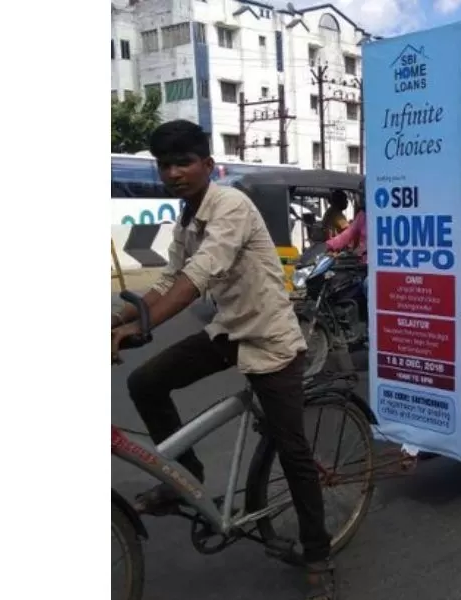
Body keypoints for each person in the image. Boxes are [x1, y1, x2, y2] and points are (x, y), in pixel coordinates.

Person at [110, 120, 337, 599]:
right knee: (145, 383)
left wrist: (140, 326)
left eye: (183, 162)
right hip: (228, 330)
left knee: (292, 451)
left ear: (208, 166)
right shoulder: (187, 218)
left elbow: (195, 279)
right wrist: (115, 318)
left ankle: (318, 553)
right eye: (165, 165)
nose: (173, 173)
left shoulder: (230, 206)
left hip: (270, 337)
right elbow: (165, 281)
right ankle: (187, 475)